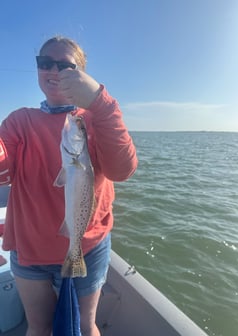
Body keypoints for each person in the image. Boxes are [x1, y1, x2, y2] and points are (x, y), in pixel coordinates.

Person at [0, 36, 138, 336]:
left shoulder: (94, 118)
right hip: (29, 250)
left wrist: (101, 102)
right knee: (39, 328)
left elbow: (123, 170)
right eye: (45, 63)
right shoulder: (19, 121)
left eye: (65, 65)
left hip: (86, 247)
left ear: (82, 74)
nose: (54, 70)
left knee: (84, 327)